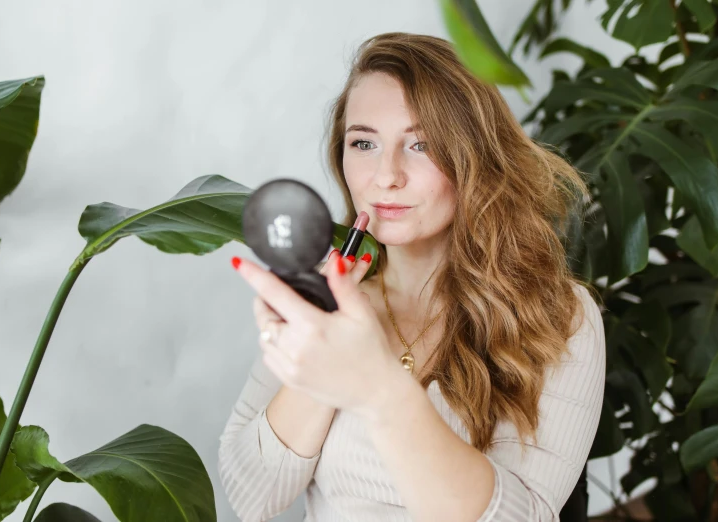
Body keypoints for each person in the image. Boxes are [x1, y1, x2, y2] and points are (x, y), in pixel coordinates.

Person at [218, 32, 606, 522]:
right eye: (364, 143)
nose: (386, 176)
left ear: (475, 157)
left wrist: (380, 390)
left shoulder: (558, 314)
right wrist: (318, 340)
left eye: (420, 144)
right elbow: (253, 497)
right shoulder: (326, 302)